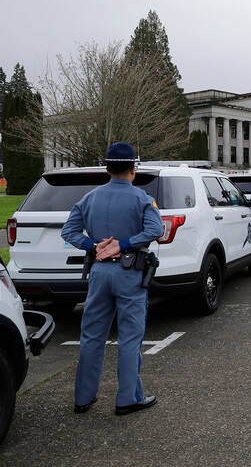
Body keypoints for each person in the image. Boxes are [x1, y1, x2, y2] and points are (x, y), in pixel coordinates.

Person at [61, 142, 162, 416]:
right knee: (130, 337)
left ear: (107, 168)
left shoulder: (89, 198)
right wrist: (124, 243)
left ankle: (83, 398)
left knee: (91, 335)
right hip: (129, 273)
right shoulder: (141, 198)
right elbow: (156, 228)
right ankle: (128, 398)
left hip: (99, 271)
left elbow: (68, 231)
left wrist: (93, 246)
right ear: (133, 169)